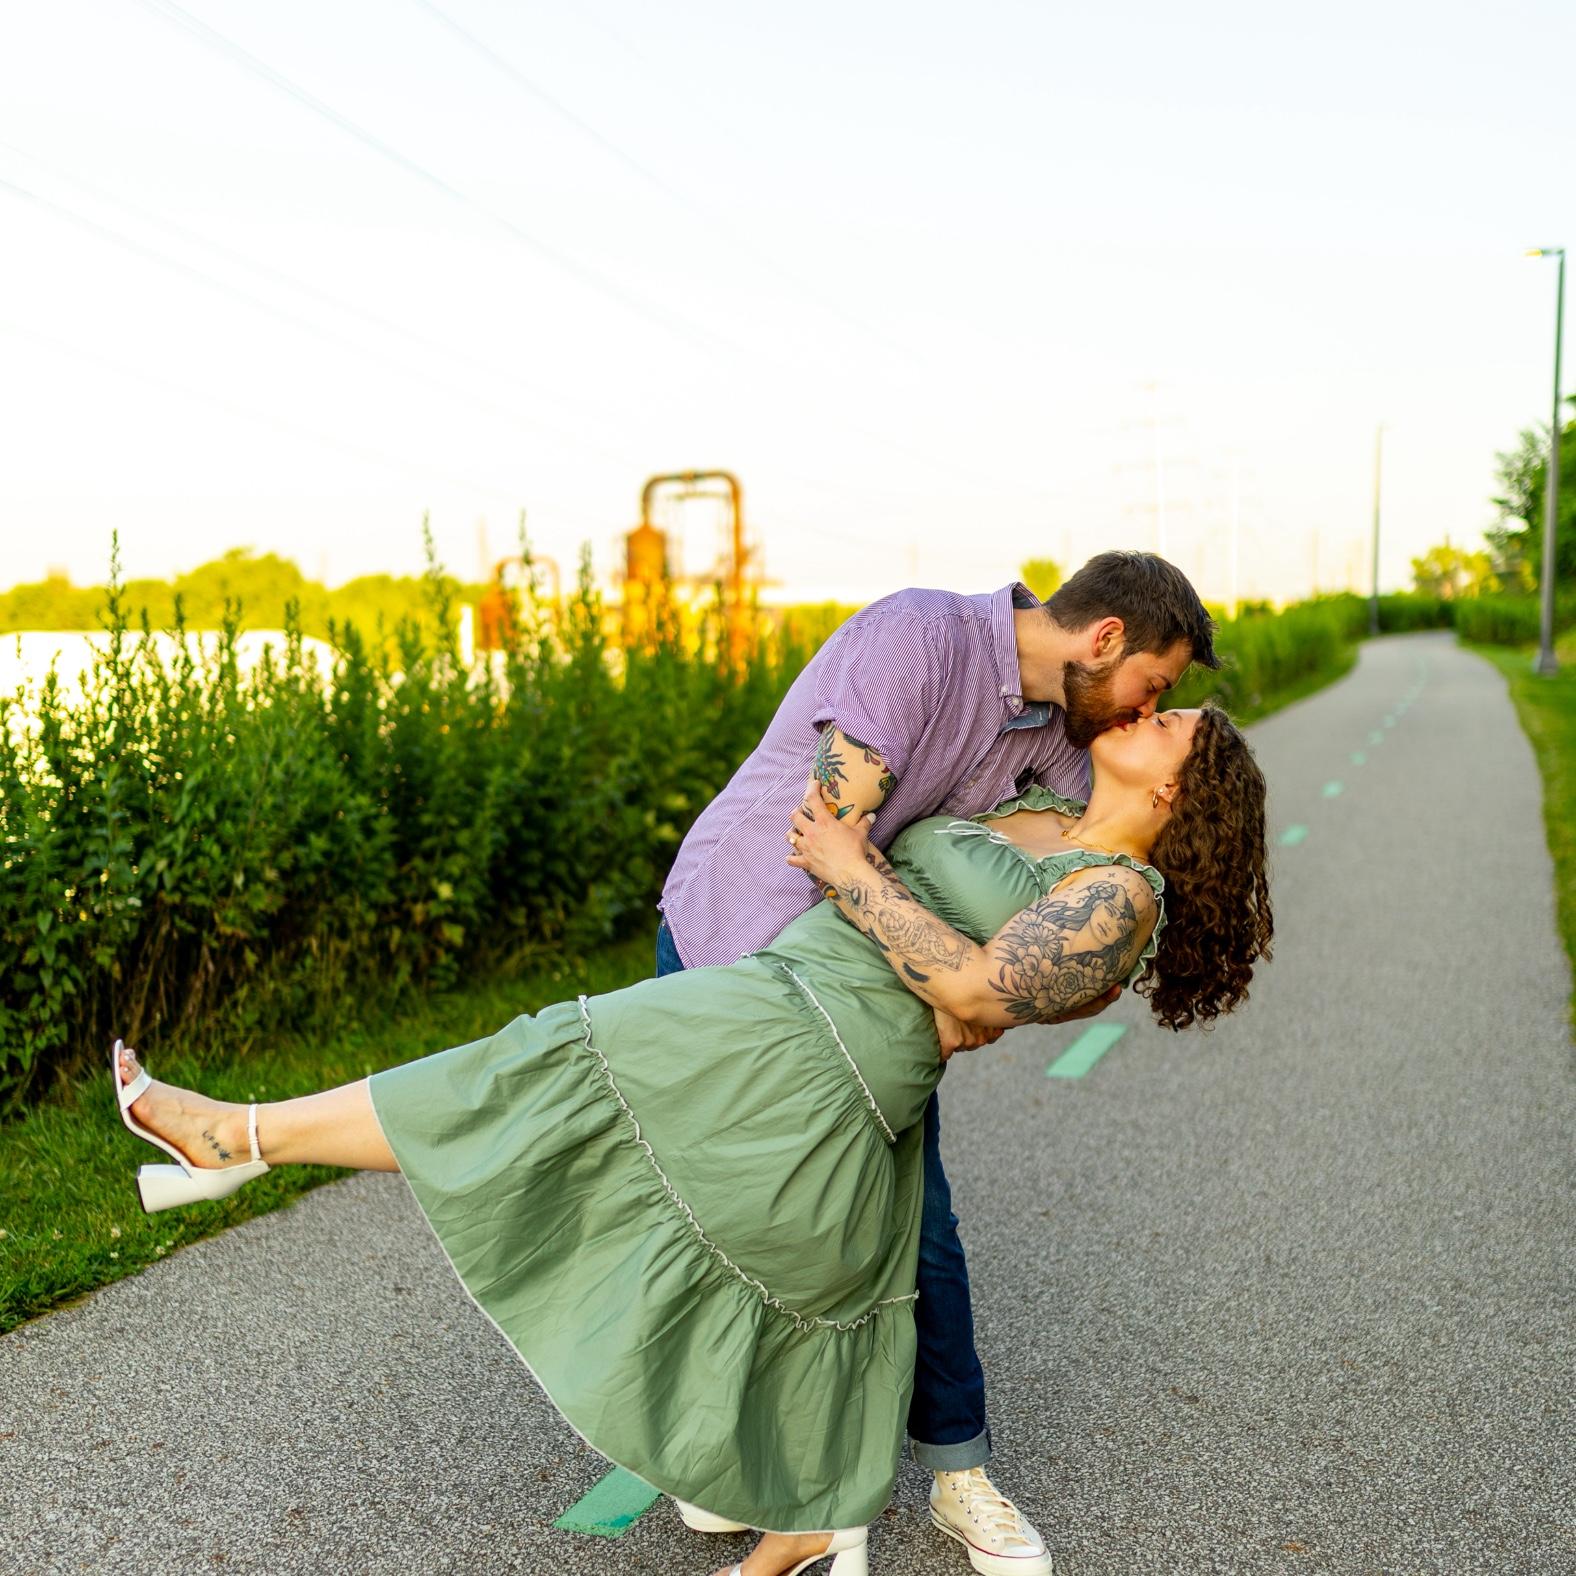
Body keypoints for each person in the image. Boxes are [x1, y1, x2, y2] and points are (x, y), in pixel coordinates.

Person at [112, 702, 1271, 1576]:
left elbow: (975, 991)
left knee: (542, 1065)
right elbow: (953, 967)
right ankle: (810, 1526)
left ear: (1183, 793)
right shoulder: (1038, 810)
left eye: (1173, 721)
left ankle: (240, 1134)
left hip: (813, 1043)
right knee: (760, 1252)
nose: (1147, 710)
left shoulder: (1119, 894)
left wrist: (852, 873)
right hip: (788, 1003)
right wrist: (904, 921)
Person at [656, 552, 1218, 1573]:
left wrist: (984, 997)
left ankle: (957, 1476)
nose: (1152, 704)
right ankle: (733, 1458)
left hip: (871, 995)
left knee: (918, 1224)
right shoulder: (918, 637)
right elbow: (824, 836)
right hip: (731, 942)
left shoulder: (1067, 733)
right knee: (719, 1209)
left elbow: (1091, 896)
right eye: (1157, 682)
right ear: (1105, 642)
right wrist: (953, 983)